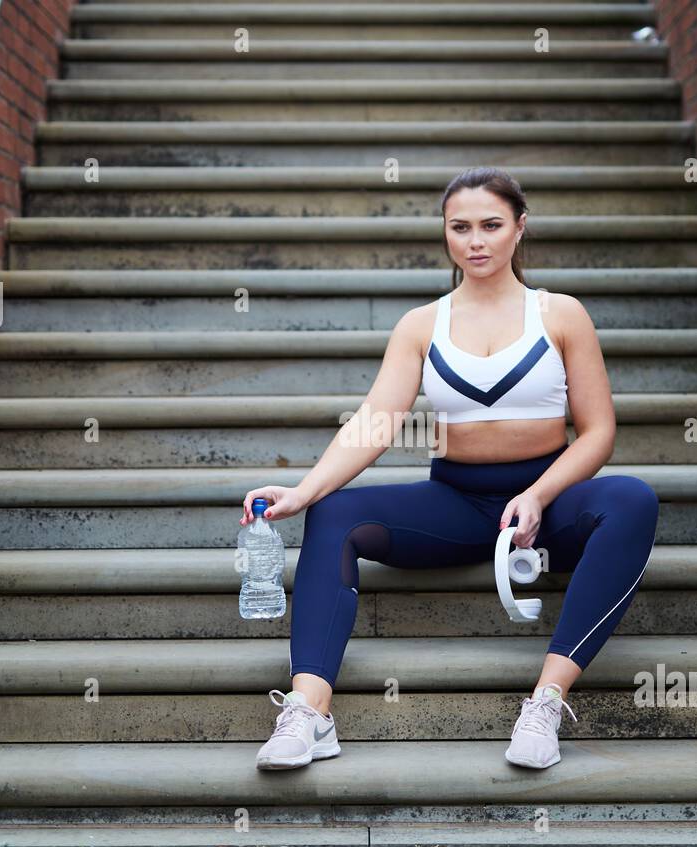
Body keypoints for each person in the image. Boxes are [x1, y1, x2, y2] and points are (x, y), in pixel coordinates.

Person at [239, 167, 659, 771]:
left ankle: (545, 701)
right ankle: (310, 713)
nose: (476, 240)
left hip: (550, 507)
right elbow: (375, 423)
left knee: (632, 500)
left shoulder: (561, 314)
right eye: (460, 227)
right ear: (445, 234)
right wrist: (303, 492)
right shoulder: (421, 324)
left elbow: (599, 434)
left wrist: (540, 494)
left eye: (491, 225)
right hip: (459, 505)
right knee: (336, 512)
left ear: (520, 228)